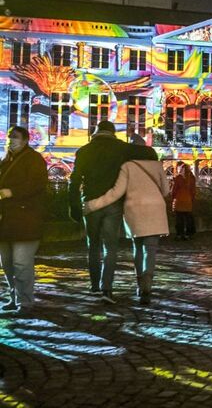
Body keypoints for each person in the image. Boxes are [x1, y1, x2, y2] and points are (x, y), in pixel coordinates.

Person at [69, 120, 150, 303]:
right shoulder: (121, 148)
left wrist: (73, 206)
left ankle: (94, 286)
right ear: (113, 133)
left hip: (90, 202)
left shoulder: (84, 151)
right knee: (110, 248)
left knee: (93, 246)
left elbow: (74, 181)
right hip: (113, 203)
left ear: (96, 132)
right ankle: (107, 289)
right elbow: (146, 152)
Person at [82, 136, 169, 305]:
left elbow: (116, 193)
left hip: (134, 210)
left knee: (137, 247)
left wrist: (92, 205)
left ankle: (139, 284)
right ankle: (147, 287)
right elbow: (166, 191)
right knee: (150, 249)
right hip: (156, 210)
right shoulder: (158, 166)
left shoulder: (127, 166)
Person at [0, 126, 48, 314]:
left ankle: (25, 301)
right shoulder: (6, 161)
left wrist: (12, 192)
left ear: (26, 140)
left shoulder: (33, 159)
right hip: (6, 221)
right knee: (7, 263)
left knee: (21, 262)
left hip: (26, 219)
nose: (12, 140)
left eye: (16, 137)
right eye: (10, 137)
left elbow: (37, 185)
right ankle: (14, 297)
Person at [172, 162, 197, 241]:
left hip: (179, 200)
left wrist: (173, 198)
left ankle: (180, 234)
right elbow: (193, 191)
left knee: (179, 219)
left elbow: (174, 190)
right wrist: (192, 199)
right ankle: (188, 234)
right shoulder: (191, 178)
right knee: (188, 218)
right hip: (188, 201)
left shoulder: (179, 178)